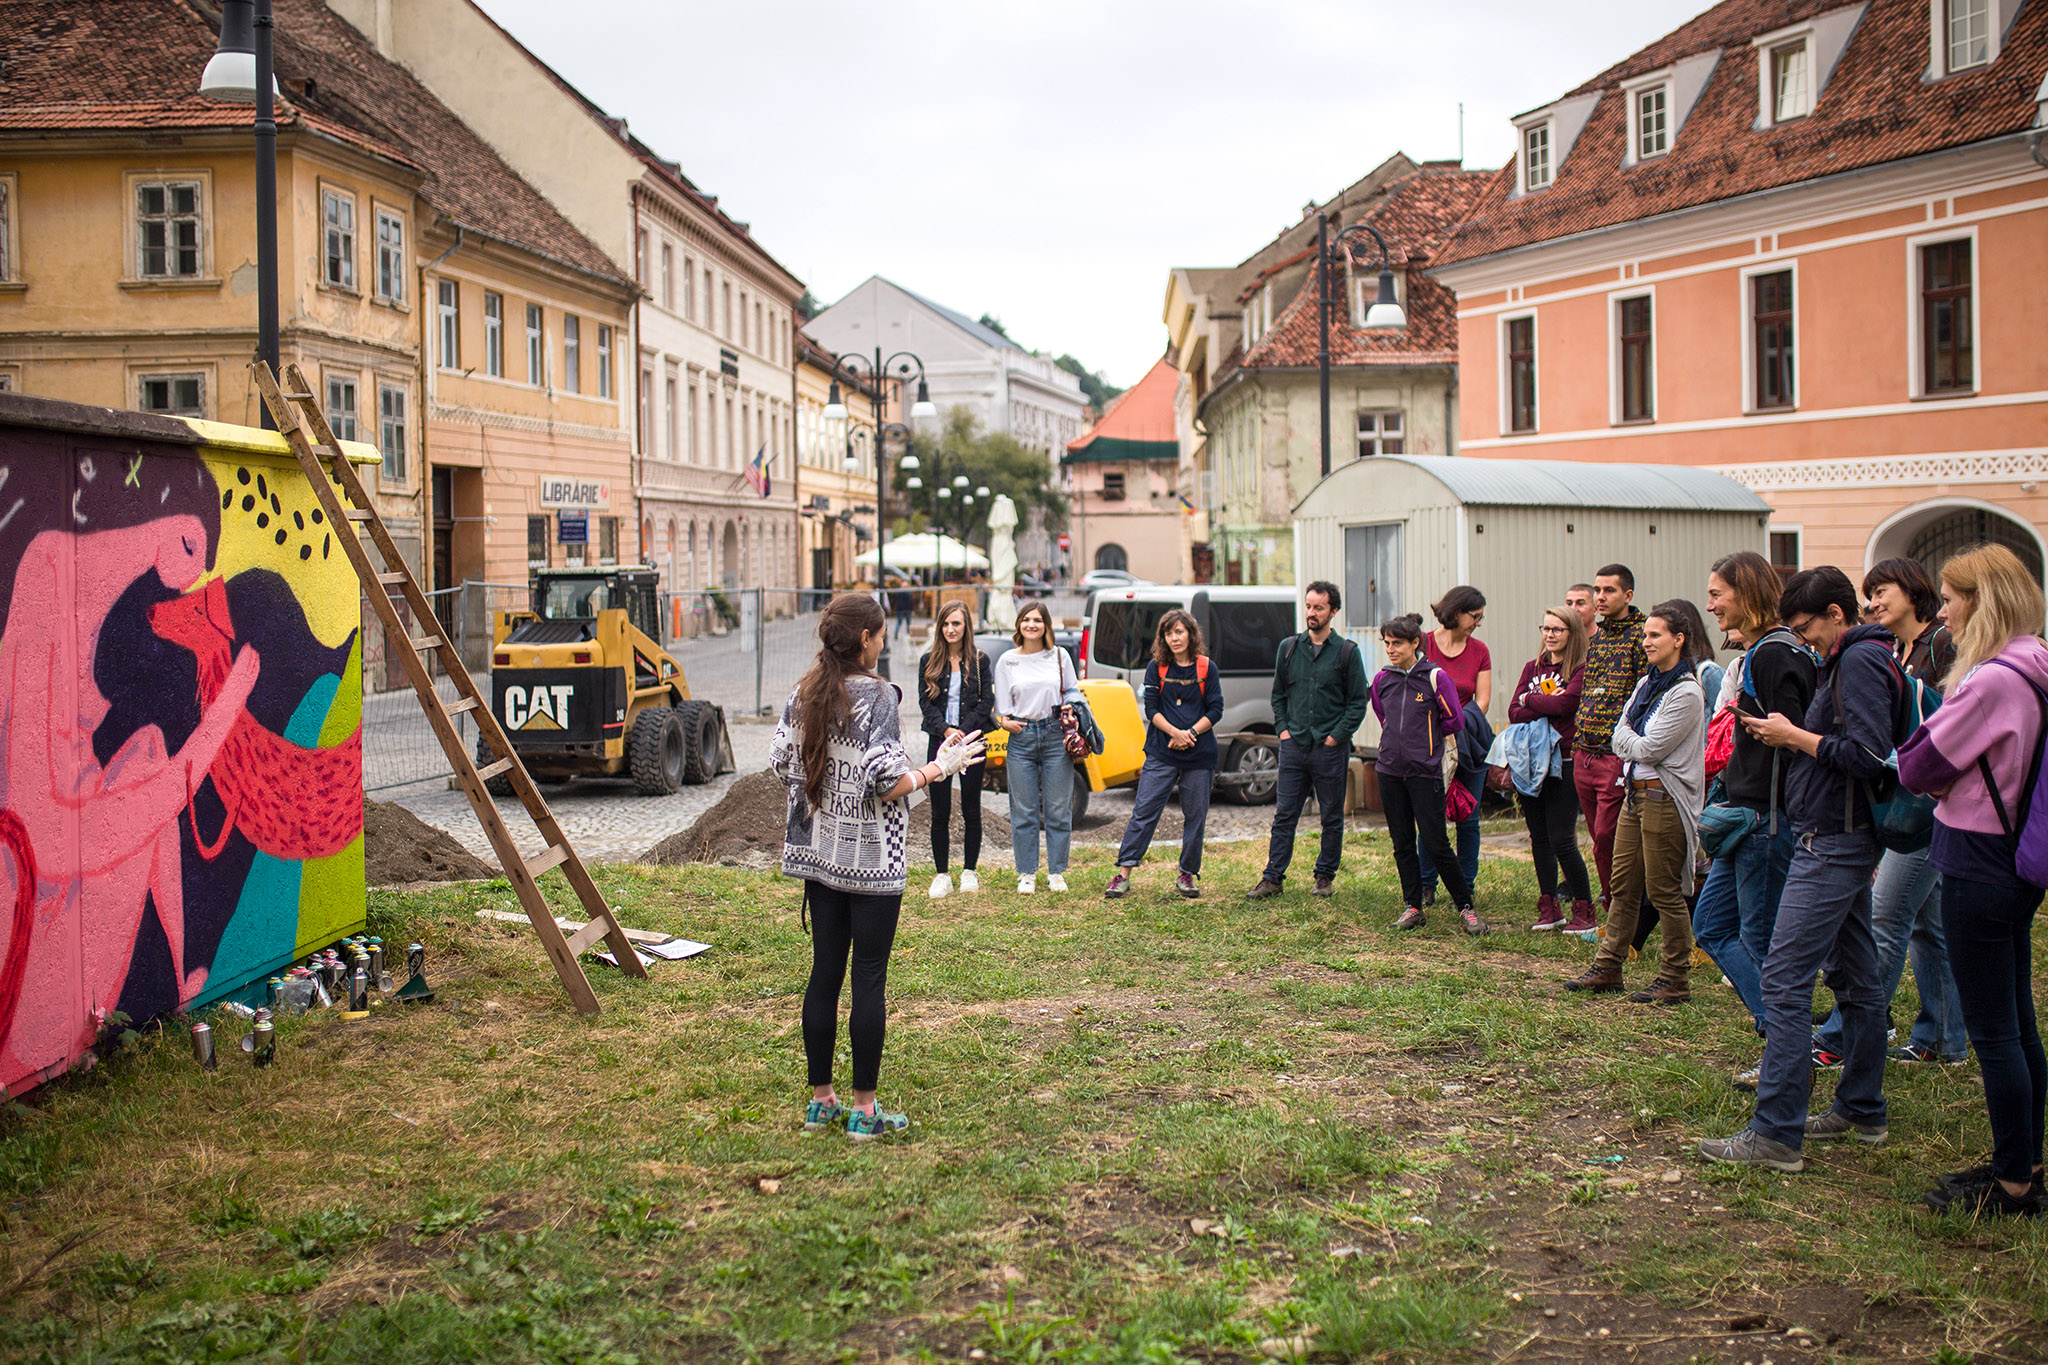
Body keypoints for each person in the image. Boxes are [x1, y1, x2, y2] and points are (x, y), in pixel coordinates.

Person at [1699, 567, 1901, 1172]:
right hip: (1842, 835)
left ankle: (1776, 1133)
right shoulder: (1857, 658)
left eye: (1809, 628)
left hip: (1834, 840)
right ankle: (1862, 1108)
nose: (1805, 641)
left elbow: (1867, 755)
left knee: (1785, 981)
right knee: (1858, 978)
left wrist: (1794, 737)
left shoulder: (1859, 662)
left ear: (1837, 615)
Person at [770, 593, 984, 1140]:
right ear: (865, 639)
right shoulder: (878, 698)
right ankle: (864, 1112)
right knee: (867, 975)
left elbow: (779, 761)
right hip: (869, 862)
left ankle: (821, 1102)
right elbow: (889, 782)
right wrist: (939, 767)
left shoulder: (804, 691)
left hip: (819, 855)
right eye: (881, 633)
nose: (884, 640)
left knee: (824, 973)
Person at [1899, 544, 2048, 1217]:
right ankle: (2025, 1159)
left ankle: (2013, 1183)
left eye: (1953, 598)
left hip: (1977, 857)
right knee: (2017, 1020)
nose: (1945, 612)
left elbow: (1917, 764)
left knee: (1993, 1031)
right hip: (2019, 857)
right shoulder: (2037, 660)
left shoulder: (1990, 679)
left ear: (1981, 601)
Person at [1812, 558, 1965, 1069]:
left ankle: (1841, 1037)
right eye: (1869, 593)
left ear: (1913, 590)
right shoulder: (1894, 650)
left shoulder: (1941, 643)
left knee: (1886, 915)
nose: (1873, 602)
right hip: (1907, 798)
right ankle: (1944, 1037)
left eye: (1883, 591)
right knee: (1929, 923)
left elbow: (1952, 719)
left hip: (1927, 803)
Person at [1694, 552, 1814, 1084]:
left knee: (1763, 943)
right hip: (1745, 818)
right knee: (1713, 926)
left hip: (1766, 823)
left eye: (1718, 593)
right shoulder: (1763, 651)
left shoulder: (1773, 654)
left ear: (1746, 592)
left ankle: (1789, 1054)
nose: (1711, 604)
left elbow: (1798, 739)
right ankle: (1784, 1036)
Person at [1564, 602, 1706, 1003]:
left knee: (1664, 891)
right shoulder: (1648, 685)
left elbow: (1649, 745)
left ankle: (1674, 976)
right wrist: (1629, 743)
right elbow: (1620, 733)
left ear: (1678, 640)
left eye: (1655, 635)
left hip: (1665, 798)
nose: (1646, 641)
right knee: (1623, 886)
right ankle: (1609, 965)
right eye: (1644, 635)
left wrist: (1628, 743)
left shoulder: (1686, 691)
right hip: (1635, 794)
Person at [1246, 581, 1369, 900]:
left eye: (1319, 608)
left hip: (1330, 750)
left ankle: (1324, 876)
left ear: (1334, 611)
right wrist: (1283, 730)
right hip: (1294, 746)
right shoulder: (1288, 648)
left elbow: (1358, 702)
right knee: (1284, 814)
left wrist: (1335, 737)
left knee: (1331, 815)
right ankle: (1272, 877)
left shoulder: (1347, 652)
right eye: (1309, 606)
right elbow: (1278, 696)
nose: (1311, 613)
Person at [1372, 614, 1483, 934]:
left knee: (1436, 843)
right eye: (1387, 643)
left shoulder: (1435, 677)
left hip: (1426, 773)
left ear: (1415, 644)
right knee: (1402, 843)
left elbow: (1454, 720)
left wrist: (1425, 745)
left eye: (1398, 643)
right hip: (1389, 771)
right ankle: (1413, 906)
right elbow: (1383, 716)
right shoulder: (1382, 679)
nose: (1391, 649)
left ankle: (1466, 907)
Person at [1105, 610, 1224, 900]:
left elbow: (1216, 709)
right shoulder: (1156, 668)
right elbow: (1151, 709)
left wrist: (1190, 735)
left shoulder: (1207, 668)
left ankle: (1187, 873)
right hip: (1162, 751)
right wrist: (1174, 733)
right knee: (1144, 812)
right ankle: (1123, 873)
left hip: (1199, 754)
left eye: (1180, 632)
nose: (1175, 638)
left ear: (1191, 634)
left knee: (1195, 816)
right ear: (1163, 637)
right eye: (1169, 633)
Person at [1571, 565, 1650, 936]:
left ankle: (1627, 915)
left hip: (1615, 753)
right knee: (1598, 840)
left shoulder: (1642, 636)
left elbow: (1646, 698)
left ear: (1628, 596)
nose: (1600, 597)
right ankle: (1613, 914)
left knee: (1610, 836)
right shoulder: (1599, 637)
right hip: (1584, 749)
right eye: (1598, 590)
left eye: (1609, 591)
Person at [1511, 607, 1593, 931]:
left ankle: (1584, 910)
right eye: (1545, 628)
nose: (1550, 635)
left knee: (1562, 839)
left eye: (1557, 629)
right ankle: (1549, 908)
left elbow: (1565, 705)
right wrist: (1538, 701)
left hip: (1565, 762)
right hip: (1531, 762)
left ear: (1572, 633)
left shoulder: (1580, 669)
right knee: (1539, 838)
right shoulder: (1532, 667)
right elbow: (1513, 711)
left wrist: (1530, 701)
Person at [993, 600, 1079, 894]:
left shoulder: (1059, 656)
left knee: (1057, 808)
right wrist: (1005, 723)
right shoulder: (1007, 661)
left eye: (1038, 620)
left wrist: (1073, 711)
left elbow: (1075, 692)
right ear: (1019, 624)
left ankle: (1056, 872)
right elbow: (1002, 709)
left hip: (1056, 734)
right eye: (1026, 619)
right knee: (1024, 810)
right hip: (1022, 735)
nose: (1032, 624)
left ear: (1046, 626)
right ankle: (1026, 873)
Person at [1421, 586, 1492, 906]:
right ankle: (1426, 884)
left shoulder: (1480, 650)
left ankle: (1465, 886)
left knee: (1469, 817)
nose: (1478, 623)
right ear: (1456, 612)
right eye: (1474, 617)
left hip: (1467, 741)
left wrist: (1454, 725)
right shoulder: (1422, 643)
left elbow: (1483, 700)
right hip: (1429, 743)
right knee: (1430, 817)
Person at [918, 600, 992, 900]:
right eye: (946, 624)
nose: (950, 629)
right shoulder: (928, 661)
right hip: (940, 743)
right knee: (940, 811)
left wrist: (964, 731)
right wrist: (946, 731)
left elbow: (986, 701)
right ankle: (942, 875)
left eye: (956, 624)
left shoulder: (980, 661)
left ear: (966, 627)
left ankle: (969, 871)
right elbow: (925, 704)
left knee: (971, 808)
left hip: (972, 742)